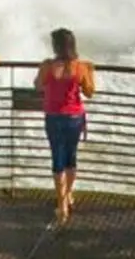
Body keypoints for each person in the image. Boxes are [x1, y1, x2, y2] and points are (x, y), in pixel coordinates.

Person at [33, 27, 94, 227]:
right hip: (74, 116)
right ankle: (68, 195)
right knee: (71, 157)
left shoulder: (47, 66)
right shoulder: (80, 67)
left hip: (54, 117)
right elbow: (89, 92)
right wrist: (90, 72)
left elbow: (38, 85)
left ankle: (62, 204)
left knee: (57, 158)